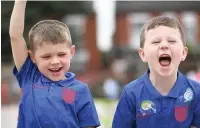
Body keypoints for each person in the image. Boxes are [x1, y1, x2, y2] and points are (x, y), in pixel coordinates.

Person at [9, 0, 100, 128]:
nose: (55, 61)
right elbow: (15, 36)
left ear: (72, 51)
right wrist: (20, 2)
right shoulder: (29, 76)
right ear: (33, 57)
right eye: (46, 56)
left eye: (61, 54)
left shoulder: (81, 90)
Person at [112, 16, 200, 128]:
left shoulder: (196, 92)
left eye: (172, 41)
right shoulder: (131, 94)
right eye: (156, 42)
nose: (164, 45)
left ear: (183, 53)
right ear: (143, 54)